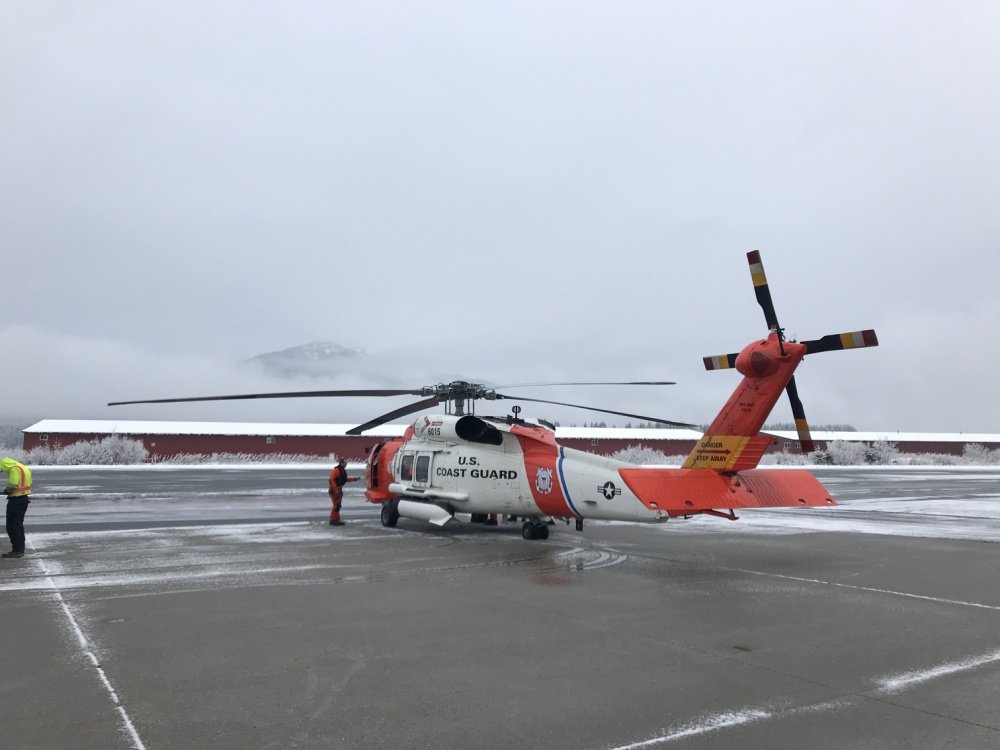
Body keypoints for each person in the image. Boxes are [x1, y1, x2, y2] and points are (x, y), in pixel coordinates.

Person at [1, 457, 32, 559]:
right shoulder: (23, 468)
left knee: (12, 526)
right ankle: (20, 549)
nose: (4, 471)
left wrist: (4, 491)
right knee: (18, 525)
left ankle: (17, 550)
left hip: (16, 500)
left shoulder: (14, 470)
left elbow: (12, 485)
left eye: (3, 470)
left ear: (6, 465)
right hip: (24, 499)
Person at [328, 457, 359, 526]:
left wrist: (355, 479)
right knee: (336, 505)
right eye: (345, 463)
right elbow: (331, 480)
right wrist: (336, 490)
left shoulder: (341, 470)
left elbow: (344, 479)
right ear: (341, 463)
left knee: (337, 506)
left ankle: (336, 519)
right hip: (334, 490)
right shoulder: (336, 470)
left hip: (338, 490)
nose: (346, 464)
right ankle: (333, 520)